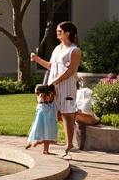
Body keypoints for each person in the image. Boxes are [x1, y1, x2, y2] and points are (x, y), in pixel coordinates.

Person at [30, 20, 81, 155]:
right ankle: (46, 145)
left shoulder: (74, 50)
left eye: (60, 31)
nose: (57, 33)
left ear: (68, 33)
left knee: (67, 115)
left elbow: (71, 70)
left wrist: (56, 81)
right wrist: (37, 59)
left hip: (67, 87)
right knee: (48, 113)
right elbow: (51, 66)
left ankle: (69, 144)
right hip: (53, 86)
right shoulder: (58, 48)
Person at [25, 84, 58, 154]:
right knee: (47, 133)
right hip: (47, 117)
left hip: (43, 116)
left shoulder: (40, 100)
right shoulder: (48, 98)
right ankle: (45, 149)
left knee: (37, 129)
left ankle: (33, 141)